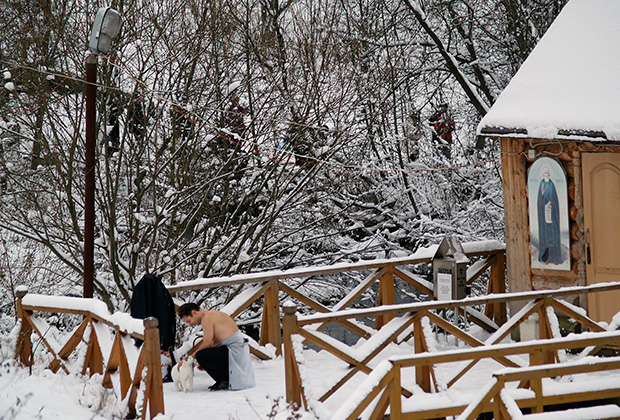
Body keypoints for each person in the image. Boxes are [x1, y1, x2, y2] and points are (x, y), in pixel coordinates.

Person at [178, 303, 255, 391]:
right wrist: (205, 361)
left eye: (189, 321)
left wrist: (190, 358)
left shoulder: (206, 318)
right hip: (237, 350)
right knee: (203, 355)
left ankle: (224, 380)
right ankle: (225, 379)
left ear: (194, 312)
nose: (191, 324)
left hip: (234, 351)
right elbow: (213, 344)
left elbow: (207, 343)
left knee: (200, 355)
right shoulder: (213, 314)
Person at [537, 163, 563, 265]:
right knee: (545, 234)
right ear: (543, 174)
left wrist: (551, 203)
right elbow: (540, 200)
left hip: (552, 213)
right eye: (545, 173)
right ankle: (545, 256)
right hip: (544, 215)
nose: (547, 174)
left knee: (553, 234)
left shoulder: (552, 184)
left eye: (548, 173)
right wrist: (543, 195)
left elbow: (555, 199)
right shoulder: (541, 185)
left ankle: (555, 256)